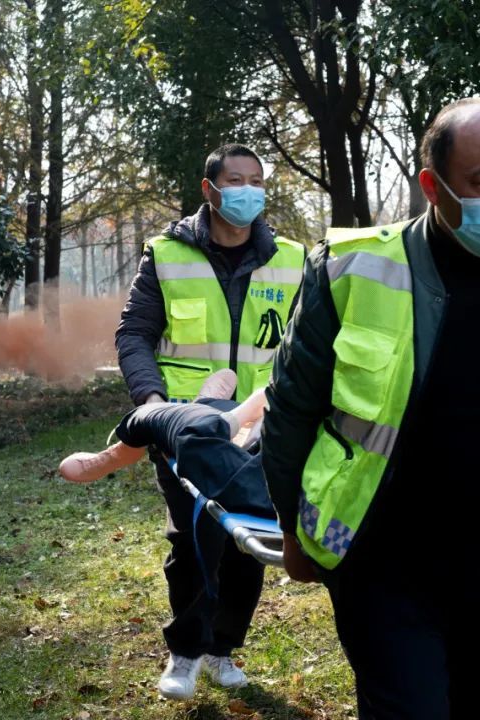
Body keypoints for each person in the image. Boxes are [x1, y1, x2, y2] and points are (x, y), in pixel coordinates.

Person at [261, 97, 480, 719]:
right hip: (382, 557)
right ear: (432, 186)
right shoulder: (351, 269)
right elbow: (290, 408)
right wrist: (291, 527)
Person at [115, 143, 304, 699]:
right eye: (236, 181)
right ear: (210, 189)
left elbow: (309, 345)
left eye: (257, 181)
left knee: (249, 539)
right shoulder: (166, 254)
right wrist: (153, 405)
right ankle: (185, 652)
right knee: (194, 538)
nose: (248, 191)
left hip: (263, 426)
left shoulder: (292, 259)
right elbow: (135, 334)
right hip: (188, 428)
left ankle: (222, 648)